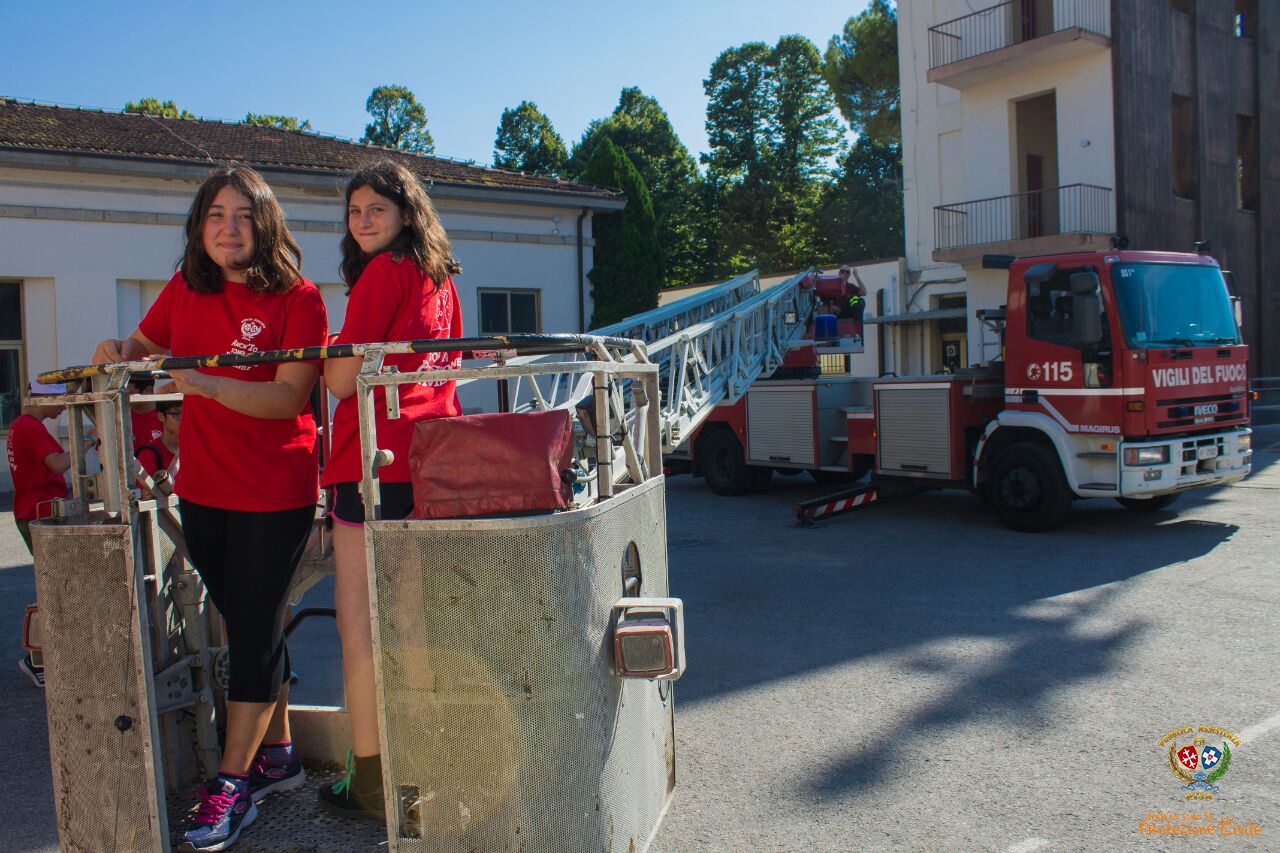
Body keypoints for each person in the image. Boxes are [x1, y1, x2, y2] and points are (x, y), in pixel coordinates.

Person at [93, 165, 328, 852]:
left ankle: (232, 784)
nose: (230, 228)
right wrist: (120, 348)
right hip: (204, 488)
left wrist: (202, 382)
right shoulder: (184, 290)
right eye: (217, 215)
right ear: (201, 227)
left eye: (244, 216)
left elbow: (287, 398)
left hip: (274, 487)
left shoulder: (299, 298)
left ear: (266, 224)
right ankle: (279, 753)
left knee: (253, 628)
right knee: (246, 623)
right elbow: (142, 345)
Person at [319, 160, 463, 821]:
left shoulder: (383, 274)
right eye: (354, 211)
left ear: (406, 211)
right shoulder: (439, 278)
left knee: (359, 625)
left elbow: (342, 381)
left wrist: (328, 350)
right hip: (427, 462)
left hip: (371, 467)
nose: (363, 219)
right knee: (414, 623)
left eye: (376, 207)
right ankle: (426, 769)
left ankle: (374, 779)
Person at [6, 380, 89, 688]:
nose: (63, 407)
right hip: (40, 513)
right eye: (61, 401)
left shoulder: (19, 425)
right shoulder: (30, 427)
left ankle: (44, 657)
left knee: (54, 586)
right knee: (56, 589)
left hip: (31, 511)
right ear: (42, 399)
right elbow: (56, 464)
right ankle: (36, 658)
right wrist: (90, 442)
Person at [135, 397, 181, 479]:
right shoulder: (148, 455)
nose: (184, 419)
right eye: (177, 414)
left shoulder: (197, 449)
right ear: (161, 416)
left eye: (187, 413)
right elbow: (145, 491)